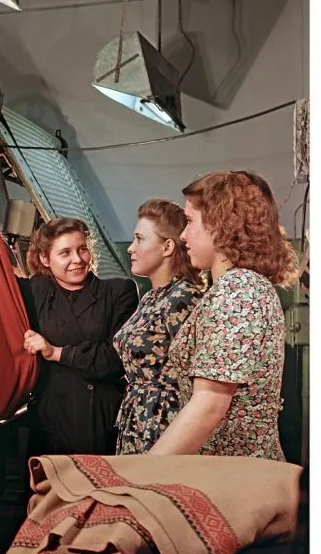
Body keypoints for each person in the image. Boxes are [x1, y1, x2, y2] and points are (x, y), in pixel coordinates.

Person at [148, 171, 299, 460]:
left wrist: (143, 473)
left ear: (221, 224)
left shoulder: (239, 289)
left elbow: (209, 404)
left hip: (234, 473)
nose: (183, 235)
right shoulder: (237, 287)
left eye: (190, 221)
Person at [18, 217, 138, 455]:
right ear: (45, 259)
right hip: (49, 419)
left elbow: (115, 359)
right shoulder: (35, 291)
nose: (78, 259)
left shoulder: (118, 291)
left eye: (82, 249)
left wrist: (56, 352)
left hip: (99, 418)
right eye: (65, 253)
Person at [113, 200, 203, 455]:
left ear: (167, 247)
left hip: (164, 423)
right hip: (139, 418)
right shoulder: (152, 297)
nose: (131, 248)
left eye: (140, 239)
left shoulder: (184, 298)